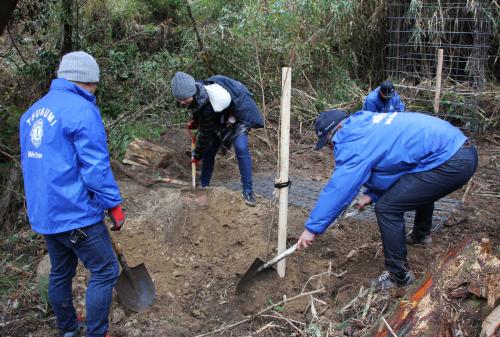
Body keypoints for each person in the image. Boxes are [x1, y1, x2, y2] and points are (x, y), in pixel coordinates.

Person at [297, 109, 477, 289]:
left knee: (387, 208)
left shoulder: (350, 140)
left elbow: (340, 189)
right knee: (419, 183)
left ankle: (398, 276)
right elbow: (399, 167)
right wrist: (371, 194)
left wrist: (312, 229)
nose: (331, 147)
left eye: (329, 142)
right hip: (458, 149)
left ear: (334, 131)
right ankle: (421, 235)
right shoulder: (366, 124)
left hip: (450, 161)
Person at [20, 51, 125, 337]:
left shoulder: (31, 114)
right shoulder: (82, 111)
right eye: (94, 85)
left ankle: (67, 330)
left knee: (61, 272)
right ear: (86, 82)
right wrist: (113, 205)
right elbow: (95, 168)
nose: (95, 90)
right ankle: (96, 332)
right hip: (76, 218)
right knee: (105, 270)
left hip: (46, 216)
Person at [171, 71, 264, 206]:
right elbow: (199, 110)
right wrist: (197, 121)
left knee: (241, 147)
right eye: (180, 100)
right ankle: (204, 186)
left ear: (193, 91)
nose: (183, 102)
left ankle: (248, 191)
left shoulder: (206, 100)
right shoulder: (196, 93)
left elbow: (205, 132)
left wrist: (196, 156)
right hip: (221, 116)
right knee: (210, 149)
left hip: (239, 113)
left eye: (186, 99)